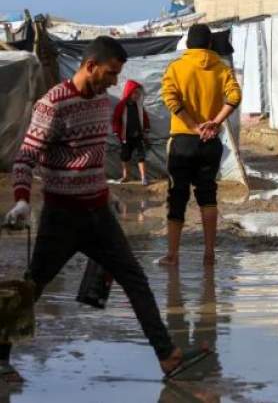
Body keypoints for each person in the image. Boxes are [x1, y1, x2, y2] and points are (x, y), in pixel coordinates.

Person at [1, 36, 202, 383]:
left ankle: (168, 356)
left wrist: (109, 196)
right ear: (90, 66)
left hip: (99, 215)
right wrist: (21, 199)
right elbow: (25, 158)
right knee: (32, 287)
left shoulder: (102, 103)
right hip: (61, 217)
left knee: (135, 280)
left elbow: (92, 158)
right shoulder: (52, 105)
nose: (114, 82)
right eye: (110, 74)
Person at [159, 24, 241, 267]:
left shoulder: (176, 67)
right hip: (210, 142)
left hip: (183, 141)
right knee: (208, 196)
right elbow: (235, 97)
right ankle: (209, 254)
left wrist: (194, 127)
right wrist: (214, 123)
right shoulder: (221, 68)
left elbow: (170, 99)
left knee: (177, 197)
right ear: (209, 45)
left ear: (187, 45)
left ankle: (173, 256)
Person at [112, 79, 150, 185]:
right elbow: (116, 119)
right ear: (129, 92)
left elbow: (144, 117)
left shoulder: (139, 106)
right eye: (135, 93)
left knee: (141, 156)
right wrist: (116, 131)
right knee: (125, 156)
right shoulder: (121, 106)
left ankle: (143, 177)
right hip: (125, 137)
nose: (137, 95)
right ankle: (126, 176)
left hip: (138, 136)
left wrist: (146, 129)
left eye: (138, 93)